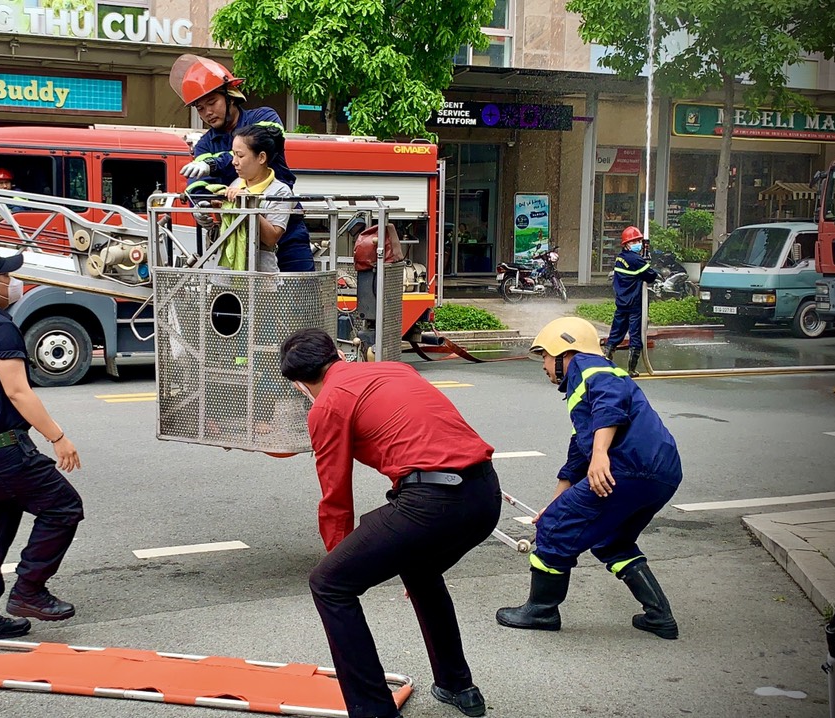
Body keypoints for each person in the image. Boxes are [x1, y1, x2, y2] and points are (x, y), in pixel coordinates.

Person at [279, 328, 500, 718]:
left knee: (328, 584)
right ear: (337, 353)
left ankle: (373, 712)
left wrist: (343, 560)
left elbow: (335, 499)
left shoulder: (327, 404)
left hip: (429, 503)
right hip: (485, 495)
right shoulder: (396, 370)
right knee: (421, 569)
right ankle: (457, 686)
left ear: (300, 383)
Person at [496, 317, 680, 640]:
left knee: (554, 530)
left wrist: (600, 455)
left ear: (563, 351)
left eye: (544, 356)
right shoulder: (586, 393)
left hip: (628, 465)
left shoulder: (587, 365)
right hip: (662, 472)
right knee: (612, 539)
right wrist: (553, 504)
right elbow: (576, 460)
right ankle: (660, 615)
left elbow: (611, 404)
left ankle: (541, 611)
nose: (543, 366)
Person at [0, 245, 85, 640]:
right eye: (8, 277)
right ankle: (29, 591)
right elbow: (18, 392)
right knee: (63, 508)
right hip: (1, 452)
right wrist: (58, 438)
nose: (14, 282)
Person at [170, 54, 295, 194]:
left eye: (212, 103)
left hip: (276, 206)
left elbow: (252, 149)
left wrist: (212, 164)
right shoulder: (205, 144)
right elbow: (200, 180)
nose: (208, 112)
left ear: (230, 97)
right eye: (200, 108)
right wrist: (200, 201)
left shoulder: (264, 117)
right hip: (234, 212)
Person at [221, 123, 314, 272]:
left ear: (261, 157)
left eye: (240, 155)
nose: (234, 162)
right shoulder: (236, 183)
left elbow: (271, 237)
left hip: (262, 276)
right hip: (226, 273)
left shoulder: (280, 191)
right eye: (233, 155)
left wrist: (247, 205)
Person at [603, 226, 658, 377]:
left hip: (621, 302)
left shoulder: (620, 258)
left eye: (639, 240)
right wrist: (646, 262)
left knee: (616, 332)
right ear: (627, 244)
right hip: (634, 304)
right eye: (635, 241)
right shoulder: (636, 260)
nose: (638, 243)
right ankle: (632, 369)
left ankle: (606, 358)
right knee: (636, 335)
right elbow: (651, 276)